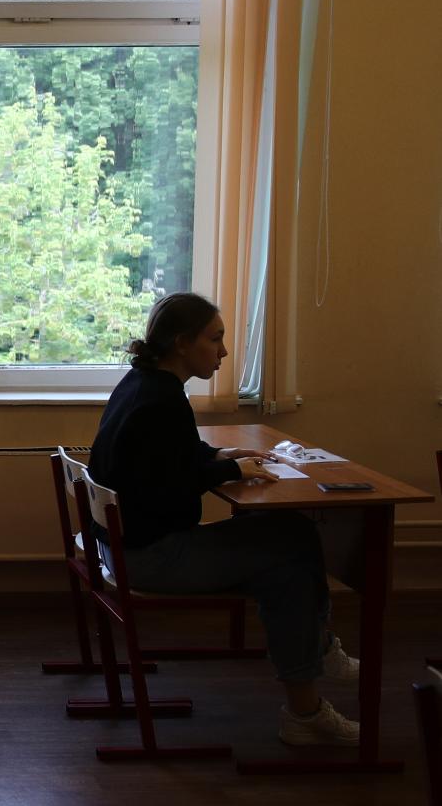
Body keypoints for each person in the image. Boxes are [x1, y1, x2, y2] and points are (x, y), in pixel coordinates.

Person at [89, 291, 360, 747]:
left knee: (290, 543)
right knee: (291, 556)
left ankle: (312, 678)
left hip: (119, 545)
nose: (224, 352)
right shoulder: (162, 399)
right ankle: (311, 685)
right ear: (182, 343)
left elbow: (164, 456)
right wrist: (230, 470)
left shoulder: (143, 383)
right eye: (215, 340)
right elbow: (169, 489)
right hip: (151, 555)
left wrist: (219, 454)